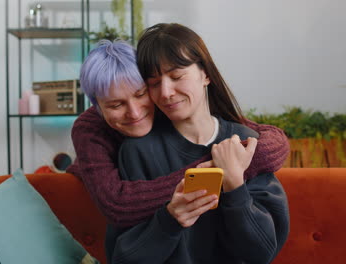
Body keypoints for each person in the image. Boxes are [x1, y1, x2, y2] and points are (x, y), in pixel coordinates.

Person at [106, 23, 290, 264]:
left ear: (205, 74)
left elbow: (262, 252)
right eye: (153, 83)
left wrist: (234, 184)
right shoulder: (138, 152)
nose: (166, 92)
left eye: (176, 76)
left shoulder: (246, 143)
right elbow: (122, 258)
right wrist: (170, 220)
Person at [67, 40, 290, 229]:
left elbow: (273, 141)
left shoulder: (166, 104)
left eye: (141, 93)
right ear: (97, 106)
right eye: (116, 105)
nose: (134, 112)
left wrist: (231, 163)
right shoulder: (89, 128)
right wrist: (216, 171)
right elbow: (118, 205)